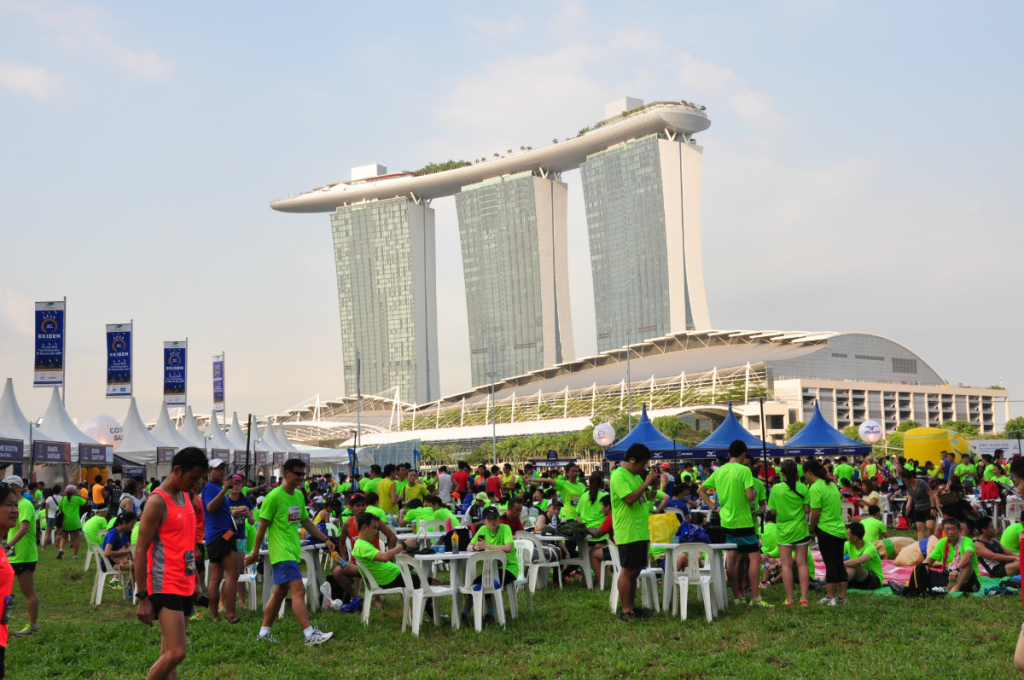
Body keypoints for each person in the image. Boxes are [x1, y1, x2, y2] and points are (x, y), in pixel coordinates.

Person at [134, 447, 209, 680]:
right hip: (164, 583)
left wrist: (195, 579)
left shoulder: (186, 496)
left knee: (168, 651)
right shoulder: (157, 501)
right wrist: (143, 597)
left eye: (199, 480)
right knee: (177, 652)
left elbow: (188, 547)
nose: (196, 485)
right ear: (177, 470)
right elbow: (139, 550)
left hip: (185, 581)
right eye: (193, 478)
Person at [245, 458, 335, 645]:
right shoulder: (274, 497)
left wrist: (325, 538)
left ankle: (263, 634)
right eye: (298, 473)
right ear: (287, 474)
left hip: (292, 551)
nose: (302, 477)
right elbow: (261, 528)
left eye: (304, 474)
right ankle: (309, 635)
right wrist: (255, 553)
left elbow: (306, 521)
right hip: (281, 553)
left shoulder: (299, 496)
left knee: (279, 593)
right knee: (299, 590)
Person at [699, 441, 769, 607]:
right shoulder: (744, 470)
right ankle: (755, 598)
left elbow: (700, 490)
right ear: (744, 454)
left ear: (729, 453)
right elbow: (751, 497)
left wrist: (715, 508)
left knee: (730, 558)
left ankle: (736, 597)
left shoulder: (719, 471)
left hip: (726, 520)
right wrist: (754, 492)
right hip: (744, 520)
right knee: (754, 558)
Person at [610, 443, 659, 621]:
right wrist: (646, 482)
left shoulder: (636, 476)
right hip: (628, 530)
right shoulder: (619, 476)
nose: (643, 468)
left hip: (640, 531)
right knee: (627, 571)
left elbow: (648, 500)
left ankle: (631, 607)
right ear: (632, 460)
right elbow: (630, 499)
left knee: (636, 570)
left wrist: (653, 487)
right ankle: (625, 611)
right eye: (642, 464)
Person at [201, 459, 240, 623]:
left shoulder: (214, 488)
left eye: (223, 468)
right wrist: (224, 489)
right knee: (232, 574)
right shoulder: (211, 488)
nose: (221, 471)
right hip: (223, 535)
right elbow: (210, 507)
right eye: (217, 469)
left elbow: (216, 513)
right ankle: (230, 615)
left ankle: (215, 616)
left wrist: (235, 514)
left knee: (216, 577)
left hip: (215, 536)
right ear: (209, 472)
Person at [465, 506, 518, 624]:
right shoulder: (483, 530)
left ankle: (491, 614)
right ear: (484, 521)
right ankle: (465, 613)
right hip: (491, 570)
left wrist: (487, 546)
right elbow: (468, 547)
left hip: (509, 568)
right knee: (475, 584)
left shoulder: (505, 528)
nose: (493, 521)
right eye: (489, 519)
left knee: (488, 582)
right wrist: (475, 547)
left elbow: (508, 548)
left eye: (495, 518)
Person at [768, 460, 810, 606]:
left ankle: (789, 599)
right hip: (801, 530)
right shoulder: (803, 487)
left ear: (781, 473)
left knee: (785, 565)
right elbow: (807, 510)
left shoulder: (776, 489)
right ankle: (804, 598)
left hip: (783, 531)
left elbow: (772, 511)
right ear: (797, 473)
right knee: (802, 564)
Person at [806, 458, 848, 606]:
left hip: (826, 530)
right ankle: (842, 597)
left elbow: (815, 513)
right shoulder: (831, 485)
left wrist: (811, 529)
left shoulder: (815, 488)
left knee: (830, 564)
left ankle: (830, 596)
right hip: (840, 530)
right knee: (839, 564)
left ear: (809, 472)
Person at [3, 476, 38, 637]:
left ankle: (32, 625)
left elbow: (23, 529)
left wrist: (8, 545)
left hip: (24, 555)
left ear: (16, 488)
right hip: (12, 555)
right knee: (5, 592)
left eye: (9, 487)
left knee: (27, 590)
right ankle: (4, 622)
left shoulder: (24, 505)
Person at [844, 522, 883, 590]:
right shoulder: (848, 544)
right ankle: (824, 584)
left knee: (854, 565)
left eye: (848, 534)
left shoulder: (870, 548)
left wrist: (840, 564)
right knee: (835, 565)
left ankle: (837, 585)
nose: (846, 536)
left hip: (874, 581)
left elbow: (859, 562)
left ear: (855, 537)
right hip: (859, 578)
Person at [902, 467, 937, 540]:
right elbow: (910, 495)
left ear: (911, 478)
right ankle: (921, 547)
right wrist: (908, 504)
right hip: (918, 508)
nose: (906, 482)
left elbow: (931, 494)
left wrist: (933, 508)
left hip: (928, 507)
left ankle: (932, 543)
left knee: (930, 527)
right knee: (920, 529)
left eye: (906, 480)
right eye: (904, 481)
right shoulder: (908, 485)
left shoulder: (922, 483)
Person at [57, 483, 88, 559]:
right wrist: (77, 494)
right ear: (74, 491)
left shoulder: (62, 499)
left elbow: (58, 509)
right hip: (75, 522)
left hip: (65, 522)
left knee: (64, 537)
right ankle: (75, 555)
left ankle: (61, 549)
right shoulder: (77, 499)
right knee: (76, 538)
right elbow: (85, 503)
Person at [102, 512, 138, 577]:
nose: (132, 528)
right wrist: (125, 551)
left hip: (117, 560)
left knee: (139, 562)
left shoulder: (123, 532)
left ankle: (132, 586)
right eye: (131, 525)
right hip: (109, 563)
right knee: (138, 565)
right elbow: (107, 553)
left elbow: (130, 548)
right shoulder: (113, 533)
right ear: (124, 523)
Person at [42, 485, 61, 551]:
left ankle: (43, 548)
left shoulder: (49, 498)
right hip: (58, 517)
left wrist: (46, 517)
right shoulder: (61, 498)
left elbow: (46, 509)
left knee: (47, 533)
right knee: (58, 533)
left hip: (50, 516)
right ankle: (56, 547)